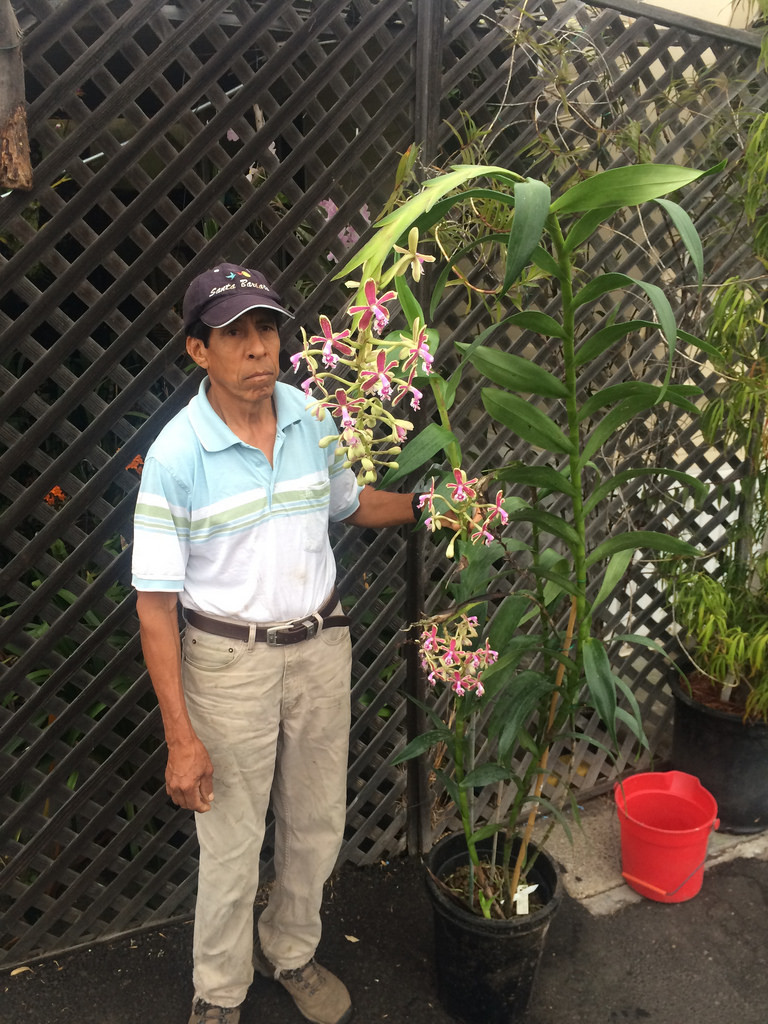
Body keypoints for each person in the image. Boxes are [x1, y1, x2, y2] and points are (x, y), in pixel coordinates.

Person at [131, 263, 420, 1024]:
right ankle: (218, 992)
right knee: (230, 842)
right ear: (200, 351)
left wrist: (434, 506)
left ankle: (290, 950)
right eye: (235, 334)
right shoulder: (176, 455)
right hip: (229, 665)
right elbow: (156, 606)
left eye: (267, 329)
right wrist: (179, 737)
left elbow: (352, 506)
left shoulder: (310, 418)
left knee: (317, 820)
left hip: (321, 648)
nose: (259, 348)